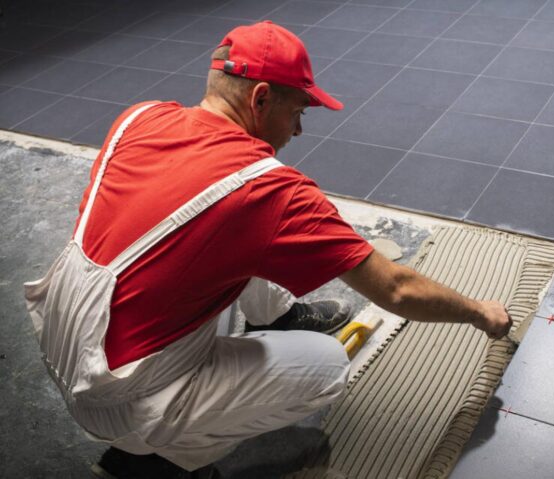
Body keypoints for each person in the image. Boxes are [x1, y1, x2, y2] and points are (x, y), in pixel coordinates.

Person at [23, 21, 512, 479]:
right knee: (326, 366)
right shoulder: (269, 190)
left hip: (67, 341)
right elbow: (398, 290)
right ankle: (159, 461)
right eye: (297, 112)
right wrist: (479, 312)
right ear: (260, 99)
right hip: (122, 393)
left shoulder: (141, 117)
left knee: (230, 232)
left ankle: (277, 317)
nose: (297, 131)